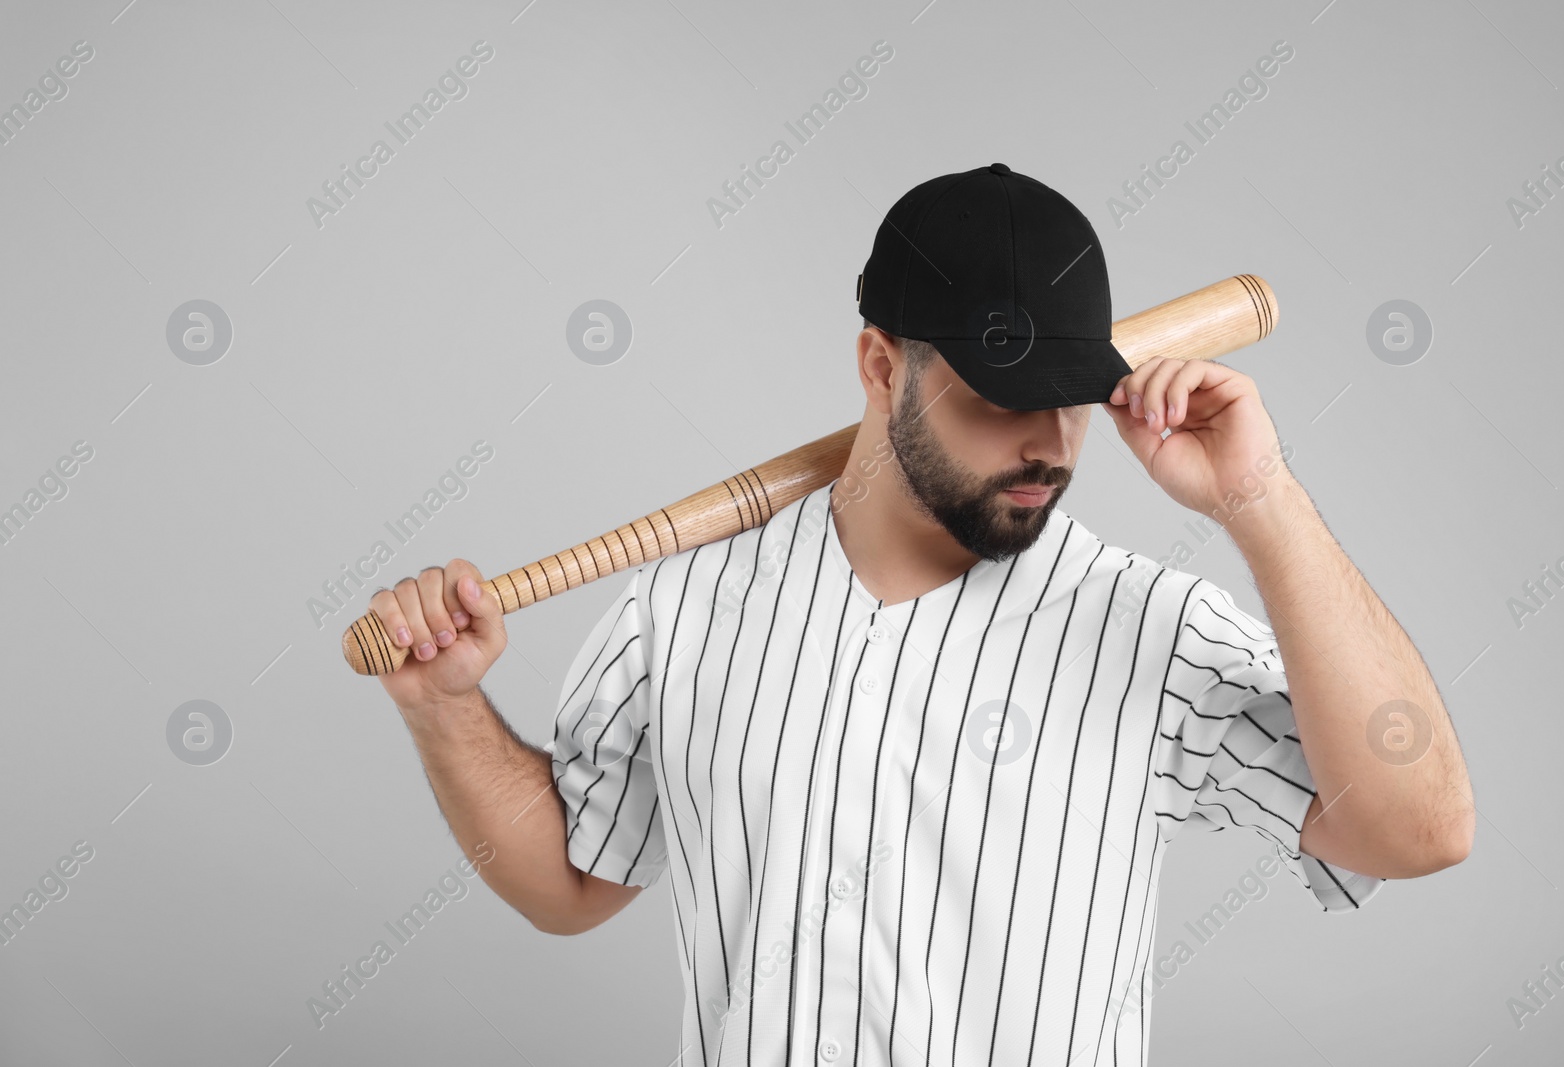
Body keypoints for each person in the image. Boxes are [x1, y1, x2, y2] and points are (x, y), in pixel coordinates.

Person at [366, 164, 1474, 1066]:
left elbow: (1418, 829)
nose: (1045, 440)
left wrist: (1260, 500)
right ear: (880, 363)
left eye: (1069, 396)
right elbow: (570, 881)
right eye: (999, 399)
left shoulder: (1148, 627)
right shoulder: (683, 604)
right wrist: (448, 709)